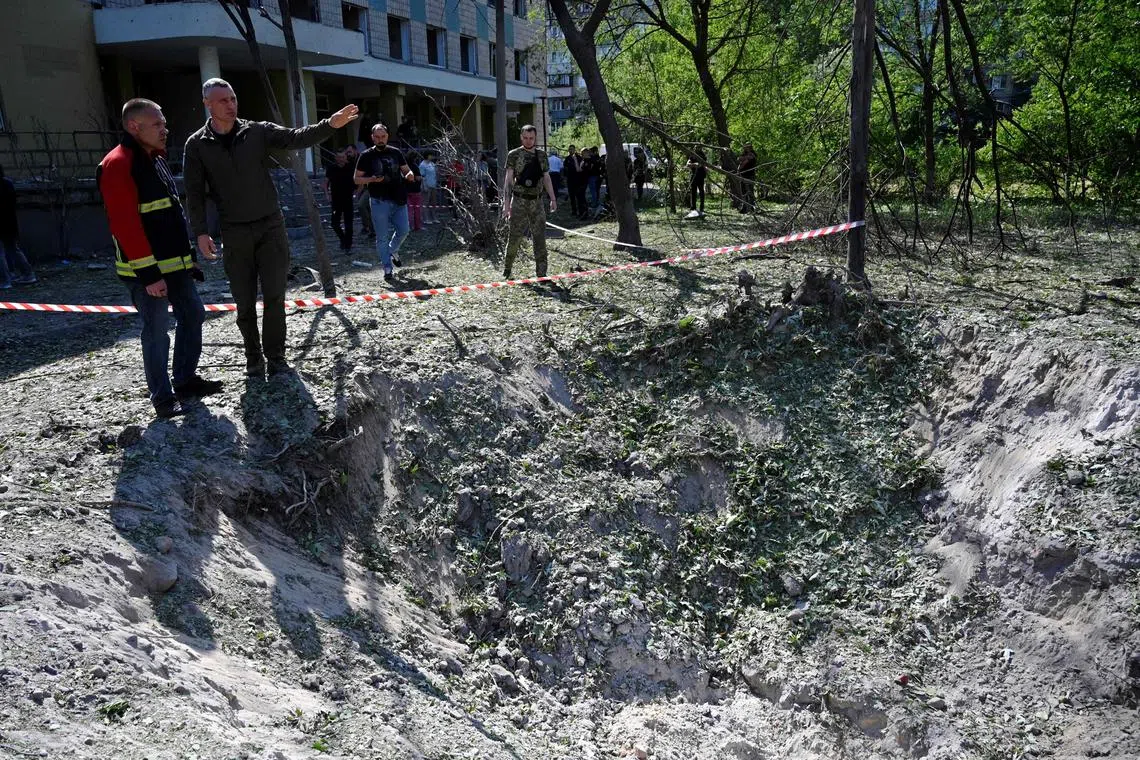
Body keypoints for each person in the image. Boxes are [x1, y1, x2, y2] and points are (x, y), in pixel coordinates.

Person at [184, 78, 359, 378]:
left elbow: (295, 137)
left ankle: (276, 357)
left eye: (233, 98)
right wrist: (200, 232)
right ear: (207, 104)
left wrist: (331, 124)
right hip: (235, 231)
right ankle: (253, 358)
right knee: (244, 300)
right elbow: (194, 192)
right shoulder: (197, 144)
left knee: (275, 295)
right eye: (223, 100)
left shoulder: (256, 131)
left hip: (270, 226)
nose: (231, 104)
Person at [97, 98, 221, 418]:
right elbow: (125, 225)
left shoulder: (155, 157)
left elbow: (171, 215)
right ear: (134, 127)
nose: (165, 129)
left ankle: (185, 380)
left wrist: (188, 258)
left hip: (175, 265)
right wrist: (150, 275)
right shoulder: (118, 163)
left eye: (164, 123)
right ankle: (163, 399)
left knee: (193, 314)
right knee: (156, 332)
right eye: (158, 124)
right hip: (147, 273)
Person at [355, 123, 415, 281]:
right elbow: (356, 178)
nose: (380, 140)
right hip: (379, 201)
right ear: (372, 137)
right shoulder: (366, 155)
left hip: (398, 198)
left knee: (404, 230)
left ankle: (392, 250)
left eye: (383, 137)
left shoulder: (396, 152)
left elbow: (406, 169)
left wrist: (409, 174)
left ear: (387, 136)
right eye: (377, 137)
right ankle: (387, 268)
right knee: (382, 237)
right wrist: (371, 179)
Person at [502, 125, 557, 279]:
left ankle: (541, 274)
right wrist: (507, 206)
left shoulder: (541, 155)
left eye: (531, 138)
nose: (528, 141)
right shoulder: (513, 154)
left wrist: (552, 199)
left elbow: (546, 177)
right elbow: (508, 181)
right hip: (519, 201)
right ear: (521, 137)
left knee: (539, 238)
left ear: (535, 138)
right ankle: (507, 269)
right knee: (514, 237)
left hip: (537, 202)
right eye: (525, 138)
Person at [0, 164, 36, 289]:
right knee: (13, 249)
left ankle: (5, 280)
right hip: (9, 222)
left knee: (3, 252)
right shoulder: (7, 183)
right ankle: (28, 274)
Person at [324, 146, 358, 252]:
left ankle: (348, 245)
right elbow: (325, 183)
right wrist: (327, 194)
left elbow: (359, 182)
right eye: (338, 157)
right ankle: (343, 240)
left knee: (349, 224)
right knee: (334, 223)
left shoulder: (351, 168)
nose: (341, 159)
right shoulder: (331, 168)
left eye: (342, 157)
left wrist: (356, 193)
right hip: (336, 199)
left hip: (348, 199)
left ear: (345, 157)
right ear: (335, 158)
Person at [563, 145, 587, 219]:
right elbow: (565, 169)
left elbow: (580, 169)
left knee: (579, 197)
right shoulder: (567, 159)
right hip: (570, 180)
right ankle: (574, 211)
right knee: (572, 196)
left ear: (574, 150)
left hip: (578, 180)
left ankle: (581, 212)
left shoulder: (579, 158)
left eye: (572, 149)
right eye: (569, 149)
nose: (571, 151)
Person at [406, 154, 425, 232]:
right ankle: (417, 227)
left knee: (409, 211)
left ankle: (409, 227)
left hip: (407, 191)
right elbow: (418, 178)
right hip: (416, 191)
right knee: (417, 210)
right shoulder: (415, 166)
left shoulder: (404, 167)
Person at [686, 148, 707, 217]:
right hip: (693, 176)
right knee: (693, 192)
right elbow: (688, 164)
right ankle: (693, 207)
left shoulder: (703, 156)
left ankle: (702, 207)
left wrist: (696, 165)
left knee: (701, 191)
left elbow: (701, 165)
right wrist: (695, 164)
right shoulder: (692, 156)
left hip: (701, 176)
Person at [419, 151, 439, 225]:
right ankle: (426, 219)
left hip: (433, 185)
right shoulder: (422, 165)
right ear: (428, 155)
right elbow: (422, 177)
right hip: (426, 186)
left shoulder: (432, 164)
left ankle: (434, 218)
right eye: (431, 155)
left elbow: (435, 174)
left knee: (433, 203)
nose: (433, 157)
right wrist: (424, 186)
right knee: (425, 203)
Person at [738, 143, 758, 213]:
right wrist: (745, 158)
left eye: (747, 147)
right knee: (743, 191)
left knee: (750, 191)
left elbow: (751, 159)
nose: (745, 148)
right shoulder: (744, 153)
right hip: (742, 174)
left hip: (750, 175)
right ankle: (744, 207)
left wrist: (745, 159)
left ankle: (752, 207)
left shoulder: (753, 154)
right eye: (745, 147)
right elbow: (739, 158)